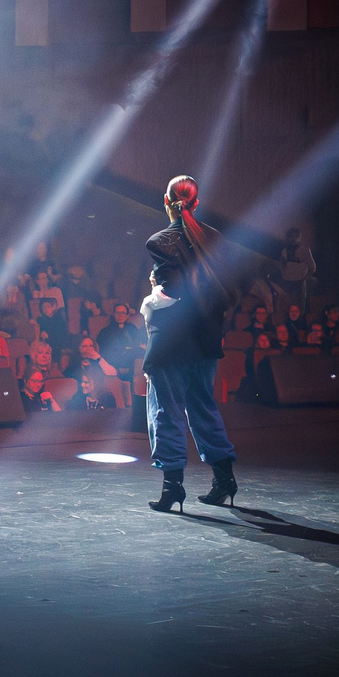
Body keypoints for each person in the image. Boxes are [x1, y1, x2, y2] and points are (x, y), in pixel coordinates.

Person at [139, 174, 249, 511]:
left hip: (171, 342)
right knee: (203, 407)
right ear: (196, 203)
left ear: (166, 201)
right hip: (204, 341)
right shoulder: (216, 239)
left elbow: (173, 292)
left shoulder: (160, 241)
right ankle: (224, 480)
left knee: (165, 412)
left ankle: (173, 487)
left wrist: (150, 299)